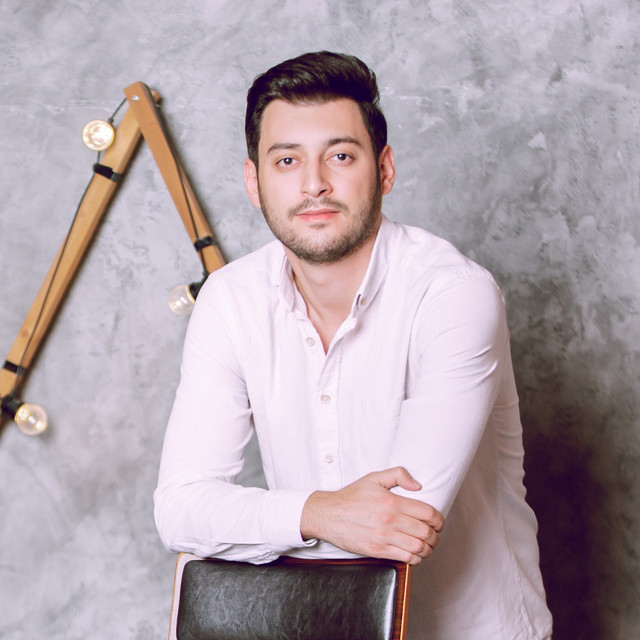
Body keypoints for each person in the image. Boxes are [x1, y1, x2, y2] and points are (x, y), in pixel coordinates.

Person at [154, 51, 553, 639]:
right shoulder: (231, 300)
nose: (314, 183)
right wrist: (317, 512)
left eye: (340, 156)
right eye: (287, 160)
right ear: (254, 182)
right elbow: (179, 510)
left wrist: (251, 522)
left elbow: (401, 523)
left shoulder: (453, 295)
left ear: (384, 170)